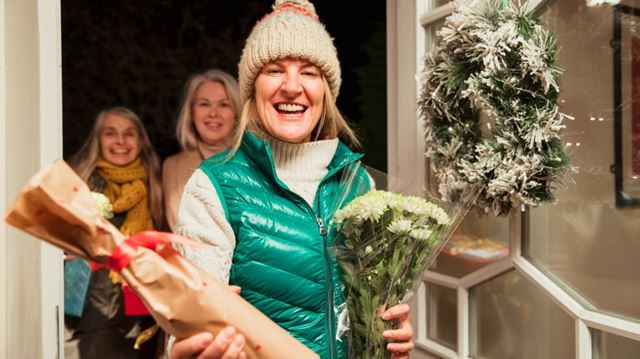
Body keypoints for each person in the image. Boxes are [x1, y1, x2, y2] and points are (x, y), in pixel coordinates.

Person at [170, 1, 414, 358]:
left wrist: (391, 339)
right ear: (252, 89)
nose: (292, 86)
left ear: (326, 92)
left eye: (310, 72)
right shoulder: (214, 187)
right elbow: (189, 332)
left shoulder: (358, 182)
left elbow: (371, 311)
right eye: (274, 70)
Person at [65, 107, 164, 359]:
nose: (120, 141)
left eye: (129, 134)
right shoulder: (77, 181)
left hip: (135, 320)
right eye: (110, 133)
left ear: (141, 141)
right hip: (84, 318)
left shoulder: (154, 186)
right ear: (97, 140)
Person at [162, 69, 241, 232]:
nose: (213, 113)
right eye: (204, 104)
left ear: (237, 113)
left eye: (224, 104)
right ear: (191, 112)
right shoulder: (172, 166)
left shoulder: (252, 162)